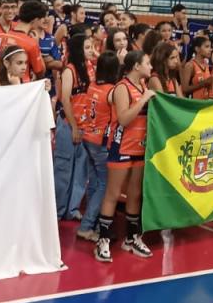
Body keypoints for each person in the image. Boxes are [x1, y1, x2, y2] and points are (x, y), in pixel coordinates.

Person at [94, 50, 154, 262]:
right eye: (147, 62)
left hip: (140, 147)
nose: (151, 66)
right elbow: (124, 119)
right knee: (113, 194)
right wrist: (144, 100)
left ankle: (132, 238)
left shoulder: (143, 86)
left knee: (135, 194)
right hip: (121, 147)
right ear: (137, 66)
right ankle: (103, 241)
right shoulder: (122, 87)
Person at [77, 51, 119, 243]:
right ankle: (86, 226)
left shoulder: (93, 84)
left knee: (94, 183)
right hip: (101, 141)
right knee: (104, 185)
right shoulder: (112, 91)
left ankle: (89, 224)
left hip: (88, 137)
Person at [55, 31, 93, 221]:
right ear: (78, 50)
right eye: (87, 47)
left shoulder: (90, 67)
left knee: (81, 171)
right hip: (69, 125)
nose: (91, 51)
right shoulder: (69, 70)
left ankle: (72, 209)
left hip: (87, 126)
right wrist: (74, 127)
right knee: (63, 169)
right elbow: (66, 100)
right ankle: (58, 209)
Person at [0, 0, 47, 82]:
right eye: (42, 19)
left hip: (3, 82)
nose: (44, 21)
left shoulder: (6, 35)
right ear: (35, 20)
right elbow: (40, 72)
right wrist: (37, 44)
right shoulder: (31, 43)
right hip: (22, 86)